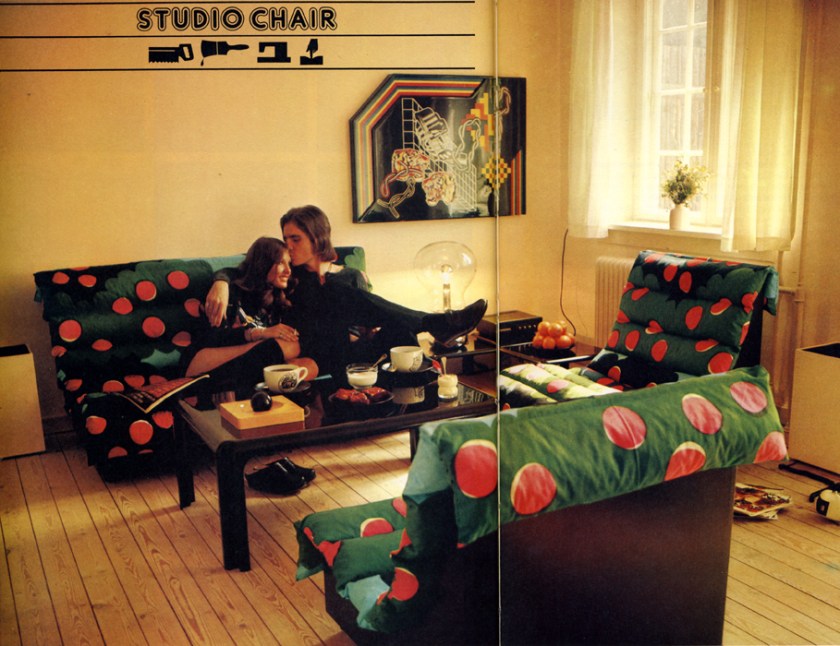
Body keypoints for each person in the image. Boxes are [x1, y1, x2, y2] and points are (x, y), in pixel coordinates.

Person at [205, 204, 488, 377]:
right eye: (285, 239)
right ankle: (436, 323)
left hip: (347, 353)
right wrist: (221, 281)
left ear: (317, 237)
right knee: (335, 291)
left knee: (399, 329)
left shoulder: (351, 276)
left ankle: (421, 390)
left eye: (295, 239)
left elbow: (369, 323)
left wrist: (368, 332)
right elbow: (243, 270)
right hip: (313, 351)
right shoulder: (289, 276)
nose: (288, 247)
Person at [182, 236, 318, 495]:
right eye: (281, 263)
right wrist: (260, 335)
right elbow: (211, 339)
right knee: (280, 347)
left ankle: (270, 461)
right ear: (263, 263)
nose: (288, 270)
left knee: (306, 362)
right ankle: (263, 468)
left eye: (289, 263)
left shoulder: (274, 298)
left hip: (244, 368)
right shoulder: (230, 293)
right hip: (204, 363)